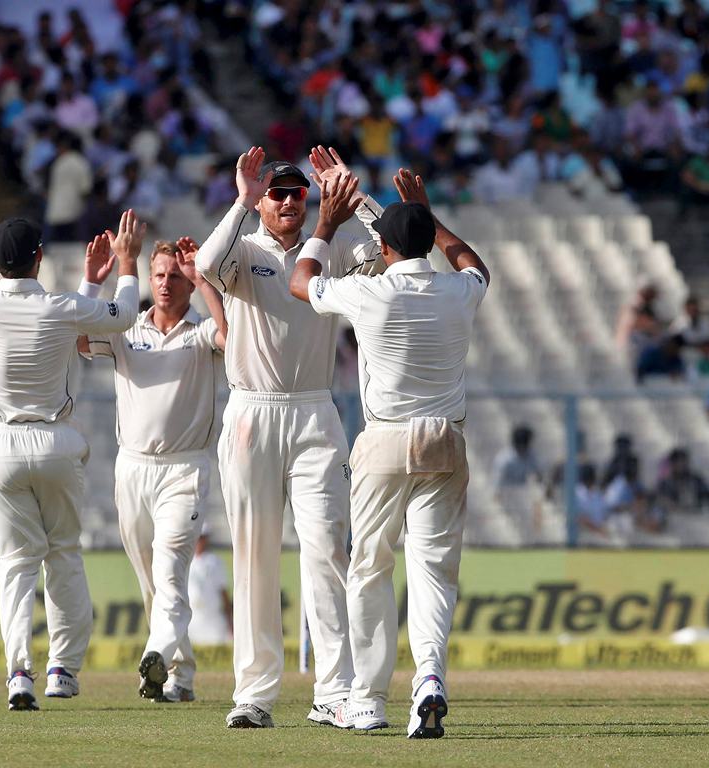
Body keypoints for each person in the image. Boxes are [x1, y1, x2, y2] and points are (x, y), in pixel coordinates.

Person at [289, 167, 489, 738]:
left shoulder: (370, 290)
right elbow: (474, 262)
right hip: (445, 439)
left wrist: (325, 223)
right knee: (433, 571)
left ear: (383, 248)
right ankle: (429, 677)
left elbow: (302, 282)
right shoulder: (458, 291)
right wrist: (426, 212)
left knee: (369, 567)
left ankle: (369, 699)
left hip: (385, 439)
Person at [194, 146, 385, 729]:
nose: (286, 201)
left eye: (296, 193)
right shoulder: (243, 250)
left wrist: (353, 196)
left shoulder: (325, 251)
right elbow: (205, 265)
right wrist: (242, 199)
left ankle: (334, 690)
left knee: (328, 547)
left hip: (313, 412)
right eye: (276, 193)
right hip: (252, 410)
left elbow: (390, 251)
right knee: (255, 552)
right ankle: (254, 693)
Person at [0, 210, 141, 711]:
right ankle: (62, 670)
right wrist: (127, 261)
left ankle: (18, 674)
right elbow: (124, 314)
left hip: (0, 445)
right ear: (40, 258)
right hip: (54, 442)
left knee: (15, 564)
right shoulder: (59, 307)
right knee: (63, 553)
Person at [76, 237, 227, 704]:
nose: (165, 284)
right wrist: (93, 282)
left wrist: (204, 280)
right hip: (133, 469)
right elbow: (79, 337)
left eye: (174, 277)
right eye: (158, 275)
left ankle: (156, 651)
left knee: (170, 571)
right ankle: (179, 676)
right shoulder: (127, 330)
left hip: (184, 470)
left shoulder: (201, 333)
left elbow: (235, 339)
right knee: (152, 584)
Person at [187, 525, 234, 646]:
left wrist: (230, 621)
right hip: (191, 620)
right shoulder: (186, 561)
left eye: (202, 537)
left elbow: (223, 591)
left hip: (212, 619)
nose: (199, 541)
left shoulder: (215, 562)